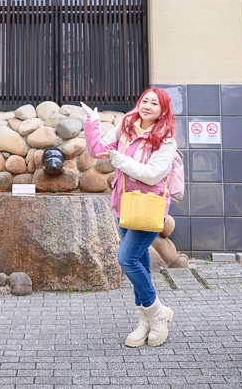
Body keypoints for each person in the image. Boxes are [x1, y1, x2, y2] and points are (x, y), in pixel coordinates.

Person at [82, 89, 178, 347]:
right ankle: (144, 321)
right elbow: (97, 150)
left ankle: (157, 315)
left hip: (149, 208)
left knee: (126, 258)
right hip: (124, 206)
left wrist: (119, 160)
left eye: (154, 103)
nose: (147, 106)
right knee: (141, 262)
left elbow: (152, 174)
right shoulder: (127, 126)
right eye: (145, 100)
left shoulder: (166, 140)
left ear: (164, 110)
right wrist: (93, 121)